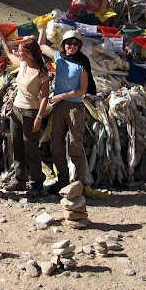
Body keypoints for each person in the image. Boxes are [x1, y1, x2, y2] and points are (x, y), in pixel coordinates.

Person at [38, 27, 96, 193]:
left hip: (73, 108)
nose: (72, 46)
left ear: (79, 46)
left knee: (74, 144)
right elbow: (41, 45)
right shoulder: (59, 57)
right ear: (63, 45)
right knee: (56, 144)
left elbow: (82, 90)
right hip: (59, 107)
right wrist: (43, 27)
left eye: (75, 43)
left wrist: (61, 96)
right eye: (69, 43)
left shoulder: (82, 63)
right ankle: (63, 181)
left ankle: (80, 183)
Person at [0, 29, 49, 196]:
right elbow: (7, 52)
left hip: (31, 113)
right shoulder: (23, 65)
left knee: (31, 148)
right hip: (16, 110)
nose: (18, 53)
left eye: (21, 50)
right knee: (17, 146)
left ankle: (36, 183)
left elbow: (45, 97)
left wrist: (39, 117)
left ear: (29, 53)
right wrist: (2, 38)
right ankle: (20, 179)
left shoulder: (41, 73)